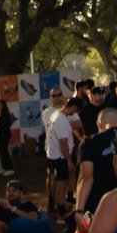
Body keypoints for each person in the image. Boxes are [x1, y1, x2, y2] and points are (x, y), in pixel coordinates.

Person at [42, 89, 78, 223]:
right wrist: (68, 160)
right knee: (55, 179)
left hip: (62, 151)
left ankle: (62, 204)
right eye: (54, 95)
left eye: (59, 95)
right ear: (50, 98)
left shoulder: (60, 114)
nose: (57, 97)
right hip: (55, 151)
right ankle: (55, 205)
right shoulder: (48, 113)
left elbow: (78, 123)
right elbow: (62, 138)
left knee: (63, 179)